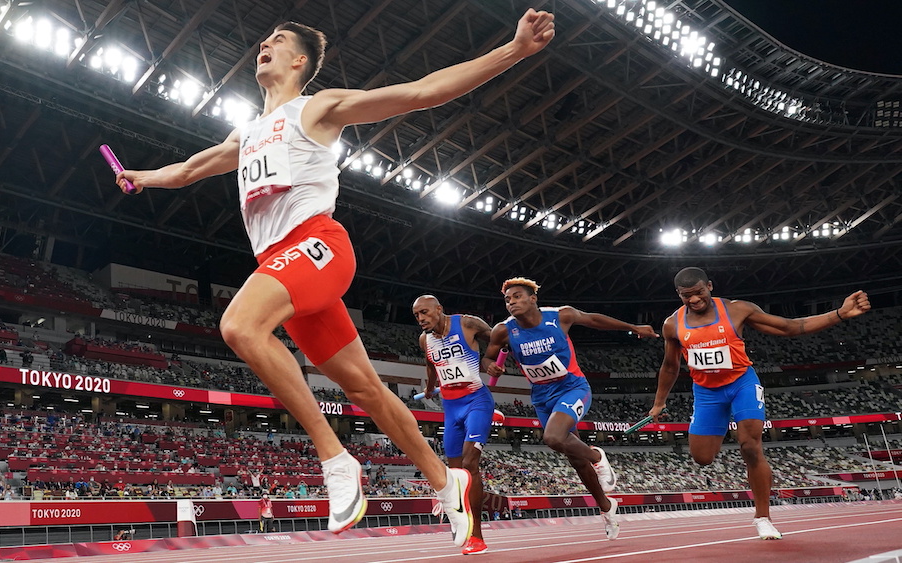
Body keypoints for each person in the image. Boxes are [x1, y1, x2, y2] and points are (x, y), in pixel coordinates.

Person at [115, 7, 555, 549]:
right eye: (264, 40)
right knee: (365, 387)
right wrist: (141, 177)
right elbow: (184, 171)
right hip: (284, 266)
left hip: (318, 244)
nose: (264, 45)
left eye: (276, 40)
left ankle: (335, 457)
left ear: (300, 61)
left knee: (239, 326)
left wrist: (513, 50)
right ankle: (448, 486)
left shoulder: (317, 108)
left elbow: (422, 92)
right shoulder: (246, 133)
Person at [649, 267, 870, 540]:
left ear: (709, 286)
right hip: (707, 393)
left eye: (698, 293)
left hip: (741, 383)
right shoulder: (673, 324)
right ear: (678, 295)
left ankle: (762, 517)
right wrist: (659, 402)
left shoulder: (737, 310)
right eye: (686, 296)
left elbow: (791, 327)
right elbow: (670, 366)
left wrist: (839, 313)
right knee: (702, 458)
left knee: (750, 446)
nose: (694, 300)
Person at [485, 277, 659, 541]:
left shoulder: (560, 316)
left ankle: (598, 457)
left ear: (533, 298)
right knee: (575, 459)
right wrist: (489, 365)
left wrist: (632, 327)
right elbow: (488, 355)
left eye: (518, 296)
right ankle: (606, 507)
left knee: (553, 437)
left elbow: (595, 320)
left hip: (573, 388)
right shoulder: (503, 330)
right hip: (542, 396)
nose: (512, 303)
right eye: (508, 299)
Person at [412, 295, 497, 555]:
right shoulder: (425, 340)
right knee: (455, 476)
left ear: (439, 309)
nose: (421, 319)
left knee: (471, 466)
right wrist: (428, 388)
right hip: (451, 409)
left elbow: (498, 337)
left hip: (476, 401)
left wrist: (489, 360)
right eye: (416, 316)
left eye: (425, 312)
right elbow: (430, 365)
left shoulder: (468, 323)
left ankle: (477, 536)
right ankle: (462, 520)